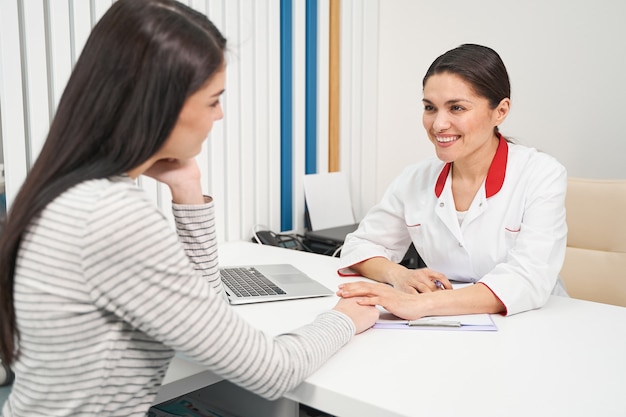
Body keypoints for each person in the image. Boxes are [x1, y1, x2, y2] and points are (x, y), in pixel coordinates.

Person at [0, 1, 379, 416]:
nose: (220, 115)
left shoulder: (64, 189)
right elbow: (272, 371)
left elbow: (205, 311)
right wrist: (344, 317)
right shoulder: (112, 216)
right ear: (160, 104)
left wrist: (188, 189)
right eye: (213, 100)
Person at [336, 44, 568, 320]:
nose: (438, 124)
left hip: (532, 322)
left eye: (456, 108)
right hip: (449, 322)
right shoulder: (415, 178)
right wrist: (398, 274)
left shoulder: (541, 174)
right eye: (430, 108)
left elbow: (528, 277)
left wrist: (419, 305)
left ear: (501, 111)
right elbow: (359, 246)